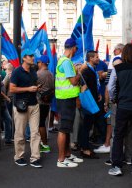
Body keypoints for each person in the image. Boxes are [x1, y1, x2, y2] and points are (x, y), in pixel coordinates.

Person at [108, 43, 132, 176]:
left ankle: (117, 165)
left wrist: (113, 99)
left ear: (123, 55)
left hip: (123, 105)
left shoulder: (118, 68)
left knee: (119, 135)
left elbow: (111, 86)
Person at [55, 38, 86, 168]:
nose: (76, 51)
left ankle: (67, 154)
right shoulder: (66, 62)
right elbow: (73, 81)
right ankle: (61, 159)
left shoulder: (63, 60)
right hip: (66, 99)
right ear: (73, 48)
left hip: (65, 98)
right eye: (76, 48)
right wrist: (81, 70)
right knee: (63, 129)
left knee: (66, 129)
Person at [10, 48, 42, 168]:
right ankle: (19, 156)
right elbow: (12, 89)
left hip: (34, 104)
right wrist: (28, 89)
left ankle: (35, 157)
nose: (33, 58)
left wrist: (36, 87)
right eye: (30, 56)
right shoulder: (17, 72)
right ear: (24, 58)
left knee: (35, 132)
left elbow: (32, 85)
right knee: (20, 133)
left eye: (33, 56)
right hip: (21, 106)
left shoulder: (33, 70)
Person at [79, 51, 101, 160]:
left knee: (88, 125)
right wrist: (85, 99)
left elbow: (93, 84)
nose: (98, 59)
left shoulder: (92, 70)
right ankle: (85, 149)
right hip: (88, 102)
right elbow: (83, 86)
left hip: (93, 99)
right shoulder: (86, 70)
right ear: (91, 58)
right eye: (96, 57)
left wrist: (98, 94)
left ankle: (84, 147)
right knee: (86, 125)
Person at [36, 55, 54, 153]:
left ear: (42, 63)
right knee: (42, 123)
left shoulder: (38, 74)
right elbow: (53, 89)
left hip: (39, 102)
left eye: (38, 62)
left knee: (40, 124)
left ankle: (45, 145)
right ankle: (44, 144)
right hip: (47, 103)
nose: (37, 64)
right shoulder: (51, 74)